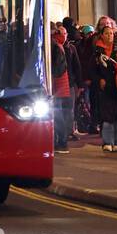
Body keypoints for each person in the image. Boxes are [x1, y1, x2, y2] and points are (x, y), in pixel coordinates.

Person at [94, 25, 117, 151]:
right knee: (106, 115)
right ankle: (107, 142)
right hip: (105, 86)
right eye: (106, 33)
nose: (109, 36)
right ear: (102, 35)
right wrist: (100, 78)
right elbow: (93, 68)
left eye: (111, 33)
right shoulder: (97, 51)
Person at [51, 25, 72, 153]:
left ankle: (62, 142)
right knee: (57, 114)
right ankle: (60, 141)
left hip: (57, 86)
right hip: (58, 85)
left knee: (57, 114)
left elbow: (58, 69)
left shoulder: (55, 46)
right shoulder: (57, 45)